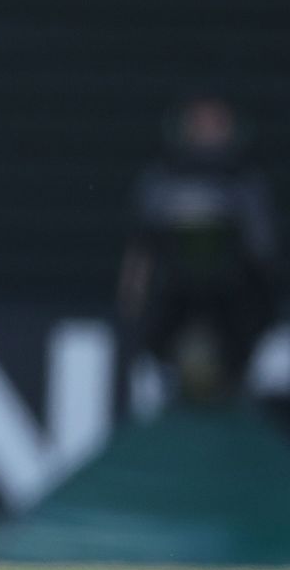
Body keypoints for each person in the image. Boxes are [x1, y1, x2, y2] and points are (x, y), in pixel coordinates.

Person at [118, 93, 278, 407]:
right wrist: (131, 305)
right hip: (173, 300)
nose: (207, 133)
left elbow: (264, 253)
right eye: (200, 123)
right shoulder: (161, 180)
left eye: (215, 124)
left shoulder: (246, 183)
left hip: (234, 302)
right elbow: (141, 250)